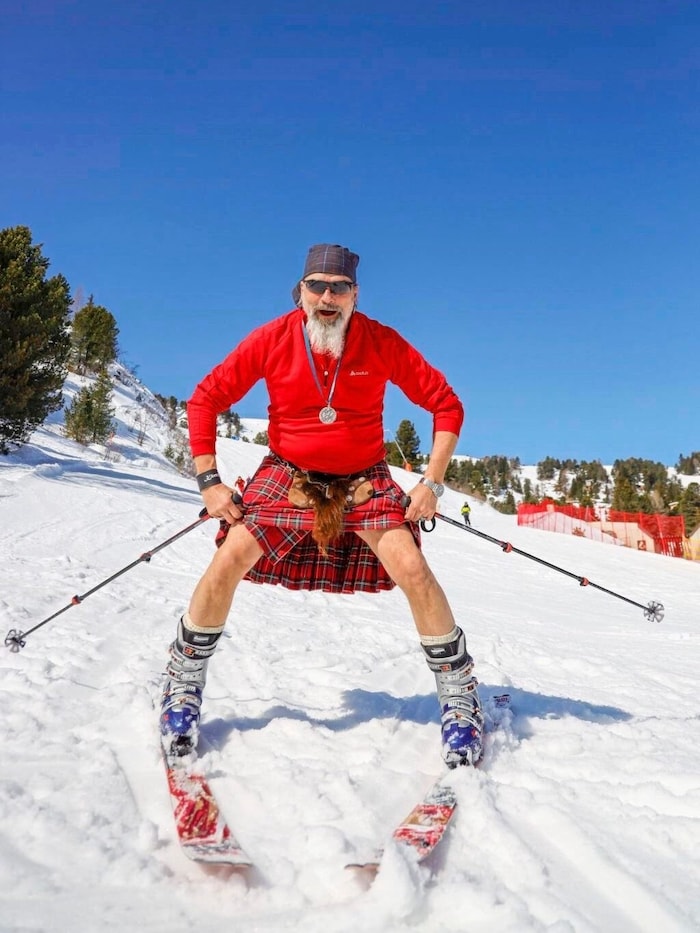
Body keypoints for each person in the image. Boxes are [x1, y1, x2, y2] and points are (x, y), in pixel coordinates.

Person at [160, 243, 483, 769]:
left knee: (412, 568)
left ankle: (460, 696)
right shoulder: (271, 339)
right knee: (228, 559)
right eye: (317, 286)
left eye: (339, 288)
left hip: (364, 477)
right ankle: (182, 684)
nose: (327, 298)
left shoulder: (381, 341)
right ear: (301, 292)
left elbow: (446, 405)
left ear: (355, 295)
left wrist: (432, 484)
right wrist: (209, 482)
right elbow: (205, 399)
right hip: (289, 473)